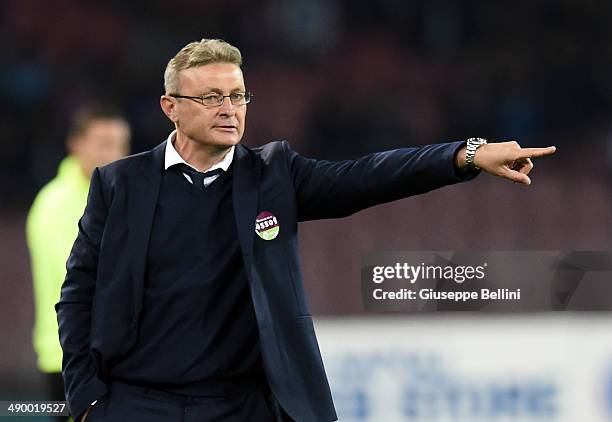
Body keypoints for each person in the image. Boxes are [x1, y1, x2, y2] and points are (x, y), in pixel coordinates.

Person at [56, 39, 556, 422]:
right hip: (139, 405)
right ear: (171, 107)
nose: (229, 109)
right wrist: (85, 398)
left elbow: (370, 175)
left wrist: (463, 156)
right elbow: (77, 294)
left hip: (243, 406)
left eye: (237, 95)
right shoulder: (120, 184)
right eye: (211, 97)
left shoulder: (274, 175)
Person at [26, 105, 130, 421]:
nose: (114, 153)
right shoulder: (54, 204)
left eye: (120, 144)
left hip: (113, 355)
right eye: (103, 143)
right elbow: (78, 282)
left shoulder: (119, 194)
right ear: (76, 144)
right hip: (71, 358)